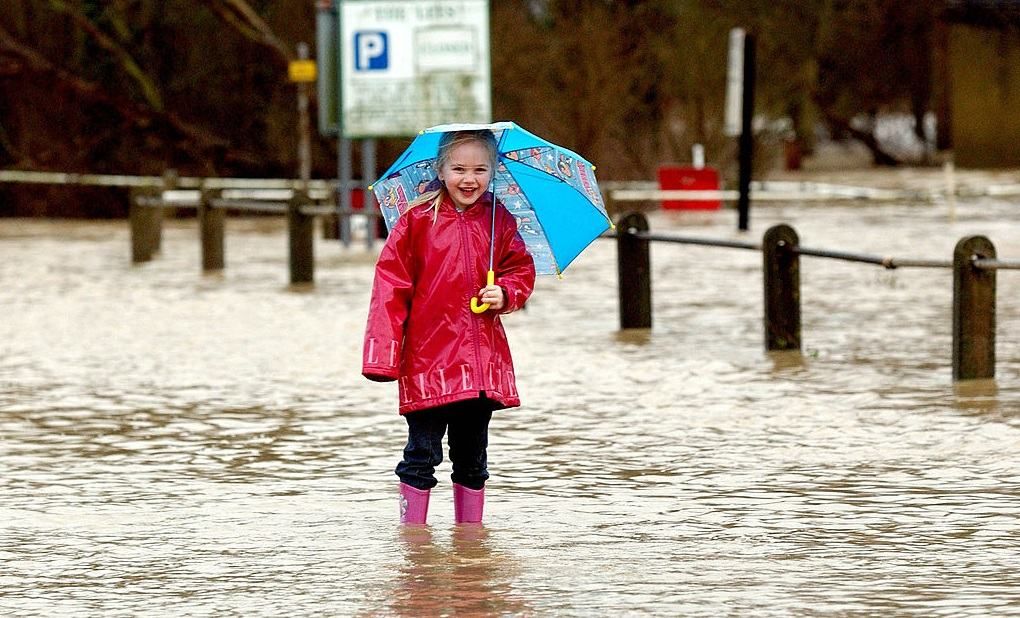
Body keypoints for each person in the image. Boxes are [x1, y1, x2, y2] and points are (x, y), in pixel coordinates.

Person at [362, 129, 536, 526]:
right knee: (421, 455)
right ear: (440, 170)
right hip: (427, 360)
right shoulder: (416, 222)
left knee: (473, 458)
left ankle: (470, 546)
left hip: (479, 365)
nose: (469, 179)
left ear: (493, 172)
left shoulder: (499, 221)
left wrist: (505, 292)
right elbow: (389, 290)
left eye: (480, 169)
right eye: (458, 168)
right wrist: (382, 357)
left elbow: (520, 270)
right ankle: (413, 542)